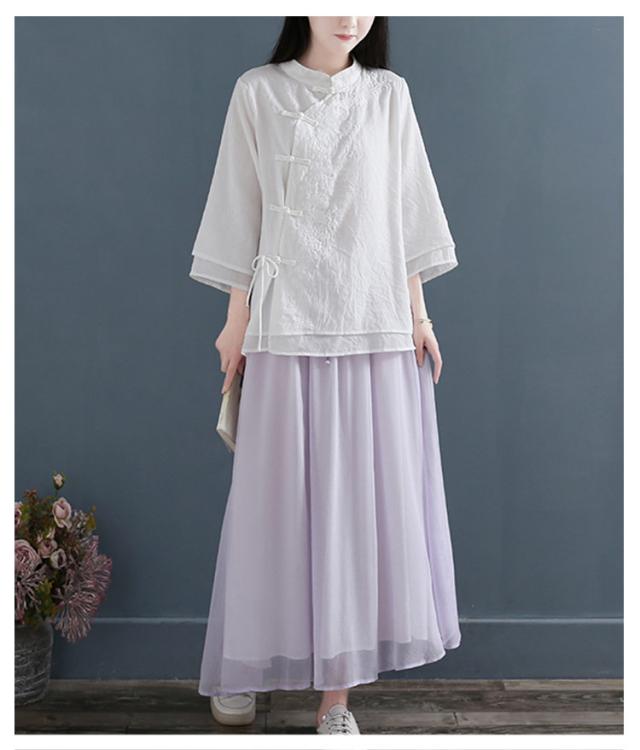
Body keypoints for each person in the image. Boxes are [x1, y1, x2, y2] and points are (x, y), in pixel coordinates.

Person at [189, 16, 462, 736]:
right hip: (285, 322)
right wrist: (236, 319)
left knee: (356, 516)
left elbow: (404, 216)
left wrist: (421, 317)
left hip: (374, 324)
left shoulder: (389, 96)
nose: (349, 15)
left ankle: (335, 701)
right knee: (272, 509)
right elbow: (241, 209)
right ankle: (246, 666)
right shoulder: (258, 92)